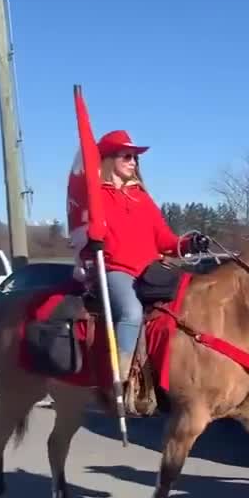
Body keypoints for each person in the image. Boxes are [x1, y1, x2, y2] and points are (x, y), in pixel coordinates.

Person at [71, 130, 209, 375]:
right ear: (109, 159)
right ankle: (122, 374)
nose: (133, 162)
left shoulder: (141, 198)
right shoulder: (96, 198)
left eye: (135, 157)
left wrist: (188, 244)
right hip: (117, 271)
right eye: (127, 156)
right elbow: (84, 234)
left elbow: (164, 239)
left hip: (150, 271)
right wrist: (92, 240)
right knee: (131, 312)